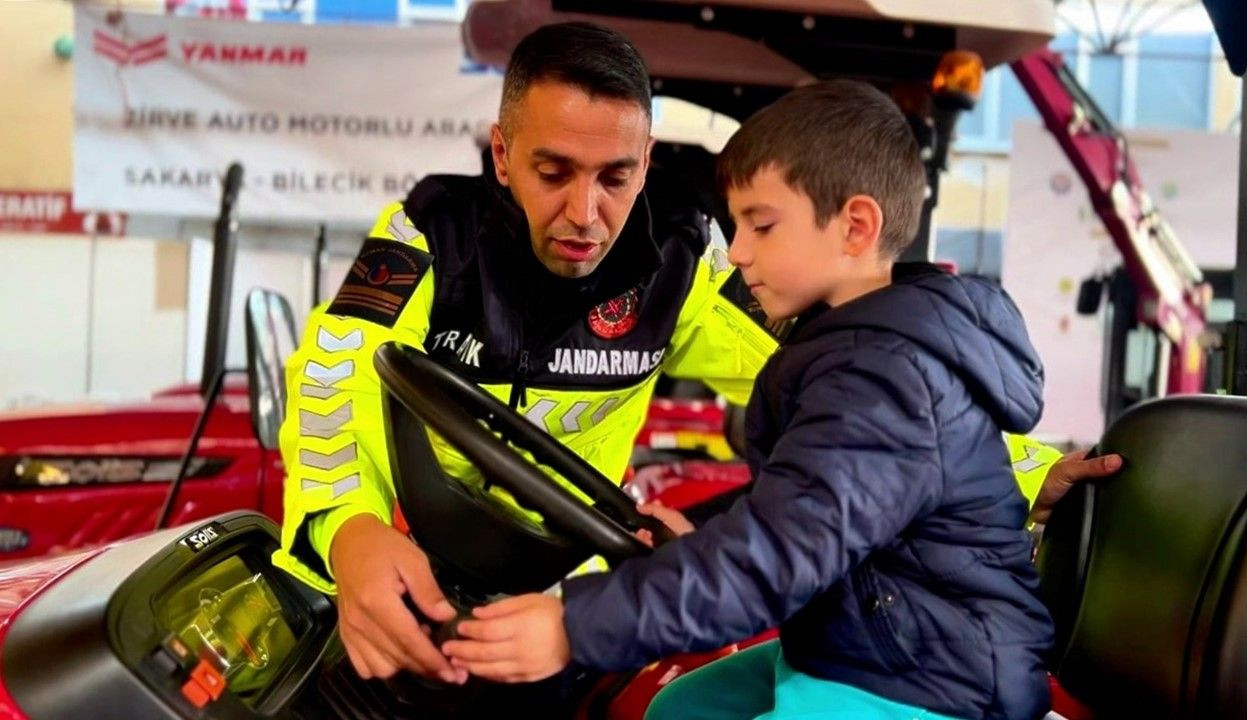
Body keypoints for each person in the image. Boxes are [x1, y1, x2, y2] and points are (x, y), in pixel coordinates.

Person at [272, 20, 1115, 689]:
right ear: (501, 154)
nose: (585, 213)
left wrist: (1029, 469)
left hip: (579, 583)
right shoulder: (430, 236)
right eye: (553, 171)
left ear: (646, 165)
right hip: (419, 562)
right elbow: (329, 378)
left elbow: (872, 385)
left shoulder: (680, 264)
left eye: (615, 177)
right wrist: (348, 531)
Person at [442, 80, 1057, 720]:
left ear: (855, 227)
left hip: (931, 675)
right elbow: (809, 496)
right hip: (869, 638)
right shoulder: (845, 349)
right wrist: (703, 531)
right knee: (680, 708)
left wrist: (575, 626)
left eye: (761, 225)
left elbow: (781, 555)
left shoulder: (884, 378)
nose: (736, 252)